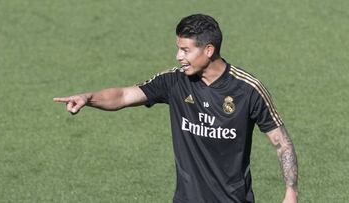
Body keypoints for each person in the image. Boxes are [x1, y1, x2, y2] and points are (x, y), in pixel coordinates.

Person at [53, 14, 298, 203]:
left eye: (185, 50)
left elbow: (281, 143)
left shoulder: (247, 89)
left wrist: (290, 193)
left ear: (209, 50)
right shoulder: (174, 81)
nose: (178, 56)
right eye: (178, 48)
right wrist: (89, 97)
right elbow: (124, 95)